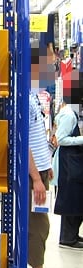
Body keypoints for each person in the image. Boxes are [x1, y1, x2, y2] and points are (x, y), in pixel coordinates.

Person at [27, 47, 68, 268]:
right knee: (35, 225)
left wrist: (47, 164)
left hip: (40, 170)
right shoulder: (22, 95)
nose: (52, 71)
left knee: (40, 223)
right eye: (48, 66)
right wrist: (35, 178)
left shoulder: (34, 95)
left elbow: (36, 135)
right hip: (32, 176)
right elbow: (22, 141)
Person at [51, 100, 83, 248]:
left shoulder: (71, 113)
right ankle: (67, 238)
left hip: (73, 163)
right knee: (71, 199)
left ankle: (72, 235)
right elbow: (61, 139)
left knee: (75, 199)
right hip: (69, 164)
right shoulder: (69, 115)